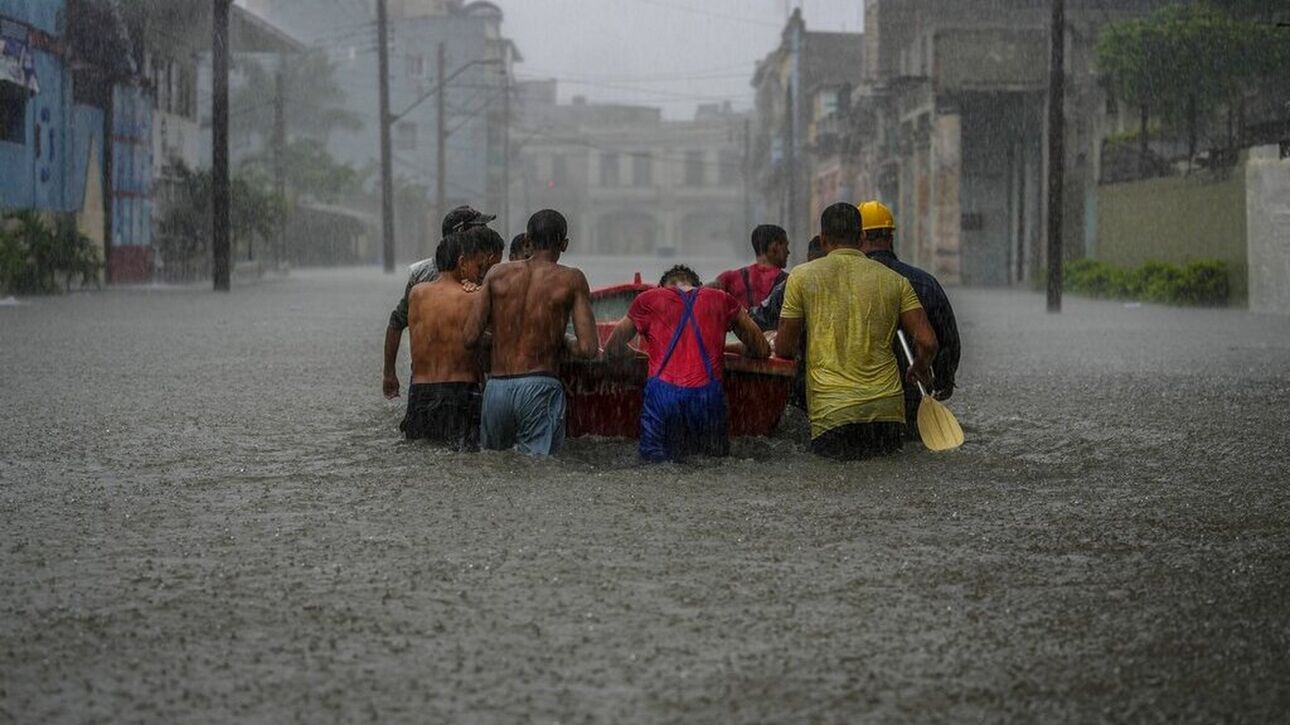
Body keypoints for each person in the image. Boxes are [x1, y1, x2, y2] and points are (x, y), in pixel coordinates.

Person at [775, 203, 938, 461]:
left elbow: (784, 348)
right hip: (888, 414)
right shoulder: (894, 280)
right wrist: (919, 368)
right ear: (861, 238)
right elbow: (928, 342)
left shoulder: (801, 277)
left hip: (832, 414)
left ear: (824, 239)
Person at [463, 209, 599, 456]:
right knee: (538, 474)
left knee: (494, 469)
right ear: (564, 244)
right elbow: (589, 349)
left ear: (527, 239)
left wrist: (506, 338)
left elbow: (470, 337)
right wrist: (562, 340)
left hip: (496, 390)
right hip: (540, 386)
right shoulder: (572, 279)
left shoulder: (496, 274)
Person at [604, 265, 770, 462]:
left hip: (662, 398)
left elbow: (612, 349)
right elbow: (761, 349)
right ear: (700, 287)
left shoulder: (648, 299)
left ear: (660, 287)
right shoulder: (721, 299)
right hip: (707, 398)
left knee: (654, 467)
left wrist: (638, 356)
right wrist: (730, 349)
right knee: (712, 465)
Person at [857, 200, 961, 439]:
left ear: (859, 237)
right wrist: (943, 379)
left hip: (856, 399)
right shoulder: (924, 282)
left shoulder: (842, 284)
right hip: (912, 395)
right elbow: (947, 340)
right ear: (890, 237)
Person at [400, 226, 505, 449]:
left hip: (421, 393)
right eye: (476, 264)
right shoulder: (473, 297)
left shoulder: (417, 294)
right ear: (462, 262)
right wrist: (481, 290)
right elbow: (504, 334)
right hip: (460, 393)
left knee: (422, 456)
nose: (479, 271)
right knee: (463, 463)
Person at [382, 205, 495, 399]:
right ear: (462, 234)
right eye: (479, 229)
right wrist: (389, 373)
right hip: (453, 384)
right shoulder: (424, 275)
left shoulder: (484, 268)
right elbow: (397, 323)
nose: (486, 233)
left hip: (436, 384)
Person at [750, 236, 823, 332]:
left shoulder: (794, 281)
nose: (789, 252)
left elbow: (760, 315)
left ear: (809, 258)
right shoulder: (792, 281)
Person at [711, 224, 790, 308]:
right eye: (786, 246)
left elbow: (699, 294)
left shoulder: (731, 278)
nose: (788, 252)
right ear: (775, 246)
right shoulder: (790, 281)